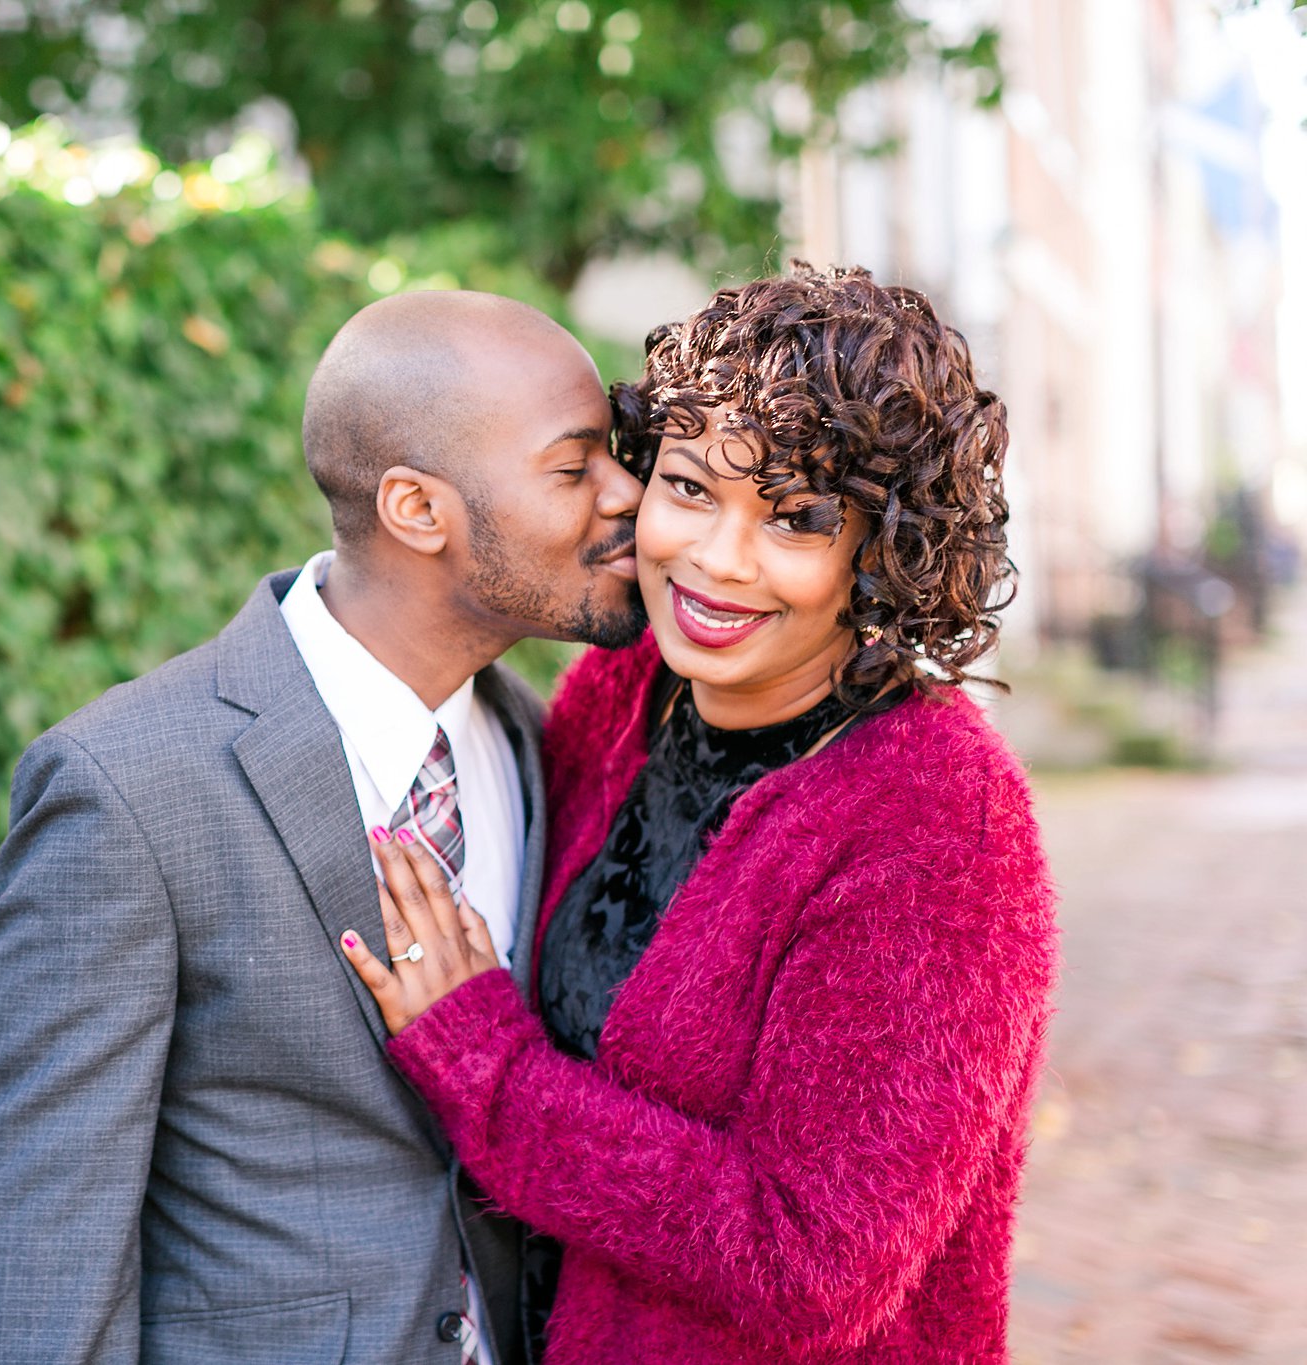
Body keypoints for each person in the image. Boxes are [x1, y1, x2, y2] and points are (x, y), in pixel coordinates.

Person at [340, 265, 1059, 1362]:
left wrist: (483, 1064)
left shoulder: (938, 819)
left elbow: (811, 1263)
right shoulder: (625, 694)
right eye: (690, 488)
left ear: (881, 550)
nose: (717, 562)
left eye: (795, 519)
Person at [0, 290, 647, 1364]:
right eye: (574, 467)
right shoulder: (126, 789)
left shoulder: (535, 746)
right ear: (416, 509)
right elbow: (44, 1268)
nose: (628, 497)